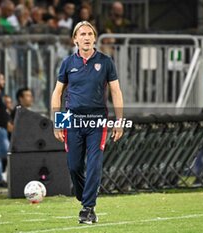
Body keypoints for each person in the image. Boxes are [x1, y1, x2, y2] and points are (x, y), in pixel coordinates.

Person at [51, 21, 124, 224]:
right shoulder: (67, 63)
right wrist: (58, 122)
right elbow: (57, 93)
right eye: (82, 34)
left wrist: (119, 121)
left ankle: (88, 208)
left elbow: (116, 92)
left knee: (94, 164)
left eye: (90, 33)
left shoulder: (106, 62)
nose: (86, 37)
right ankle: (85, 197)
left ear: (94, 38)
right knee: (74, 166)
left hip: (97, 121)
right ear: (75, 39)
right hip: (72, 120)